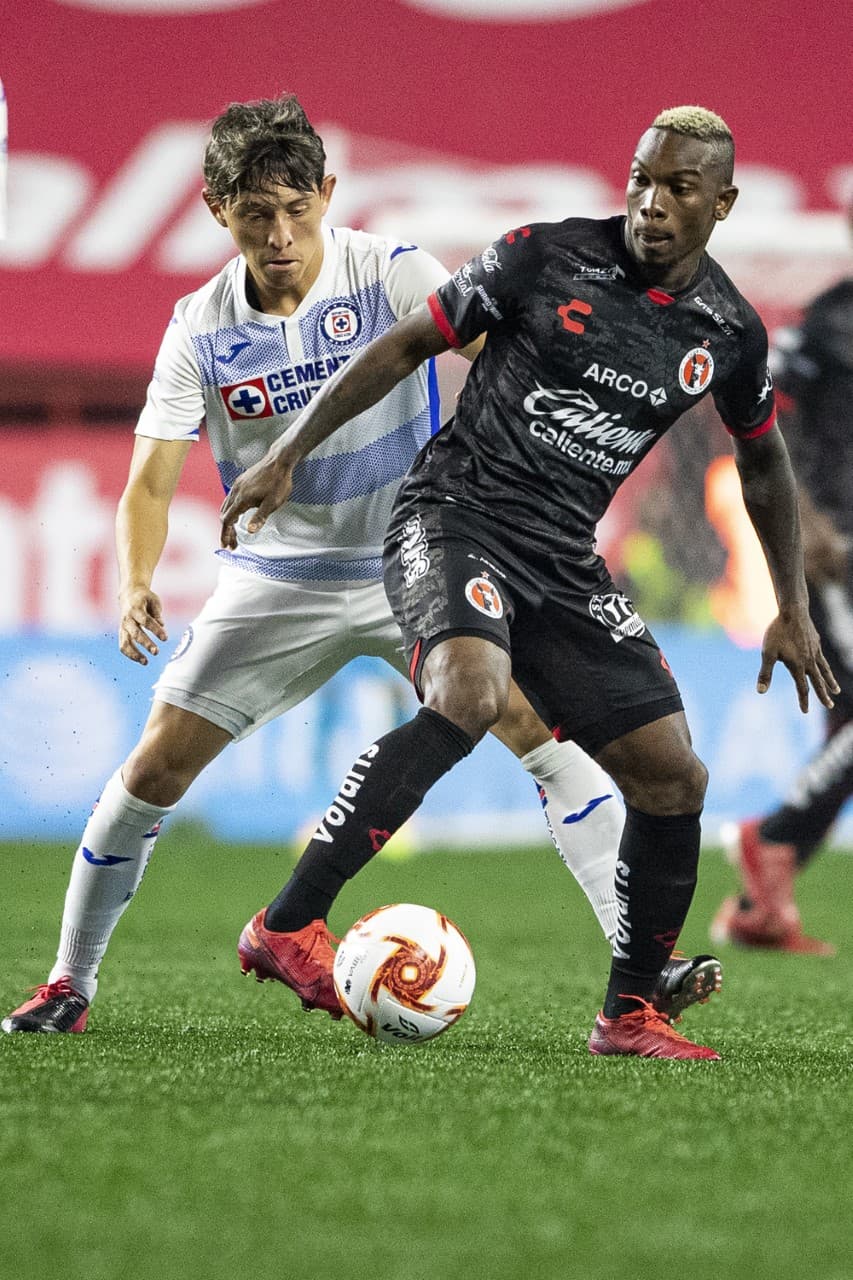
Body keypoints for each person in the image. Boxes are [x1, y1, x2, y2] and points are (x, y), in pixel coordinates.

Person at [2, 94, 718, 1036]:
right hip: (277, 580)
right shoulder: (198, 327)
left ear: (328, 195)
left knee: (546, 742)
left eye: (297, 210)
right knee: (153, 771)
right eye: (255, 215)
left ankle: (647, 964)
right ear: (216, 211)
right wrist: (136, 579)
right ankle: (69, 981)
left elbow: (511, 343)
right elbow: (147, 482)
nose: (280, 236)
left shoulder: (387, 271)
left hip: (415, 557)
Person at [220, 105, 839, 1061]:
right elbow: (405, 345)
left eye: (677, 188)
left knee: (672, 777)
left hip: (561, 558)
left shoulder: (727, 330)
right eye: (640, 178)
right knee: (467, 695)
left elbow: (762, 461)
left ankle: (628, 1014)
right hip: (453, 517)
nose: (650, 203)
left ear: (721, 203)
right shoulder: (541, 256)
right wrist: (289, 454)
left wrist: (790, 607)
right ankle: (287, 922)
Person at [712, 210, 853, 955]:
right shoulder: (828, 322)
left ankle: (757, 907)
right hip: (837, 545)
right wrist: (808, 519)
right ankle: (768, 838)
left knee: (846, 728)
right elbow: (770, 422)